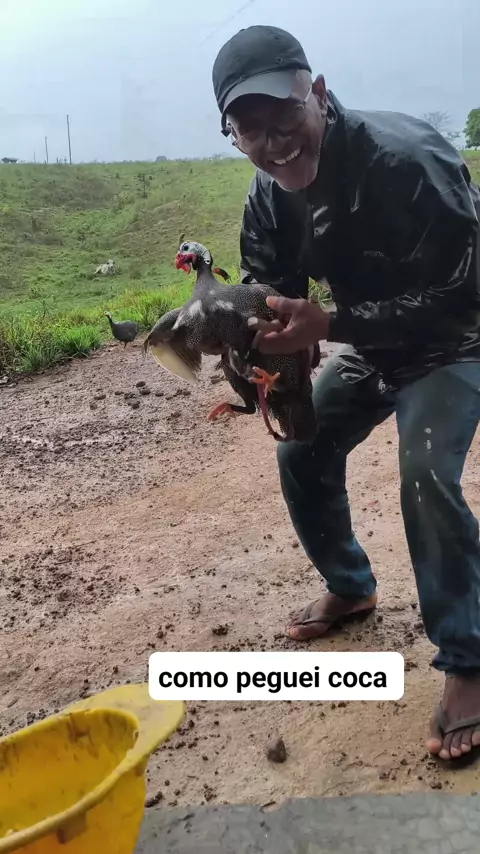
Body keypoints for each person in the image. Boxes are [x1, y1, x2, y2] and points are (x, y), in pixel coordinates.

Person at [212, 24, 480, 762]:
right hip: (371, 341)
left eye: (283, 116)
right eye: (250, 130)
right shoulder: (268, 200)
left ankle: (468, 658)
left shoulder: (409, 159)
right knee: (300, 450)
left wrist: (331, 325)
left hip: (458, 337)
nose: (274, 144)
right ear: (234, 135)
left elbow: (464, 295)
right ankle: (352, 585)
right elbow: (274, 297)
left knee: (424, 473)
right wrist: (263, 349)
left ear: (320, 95)